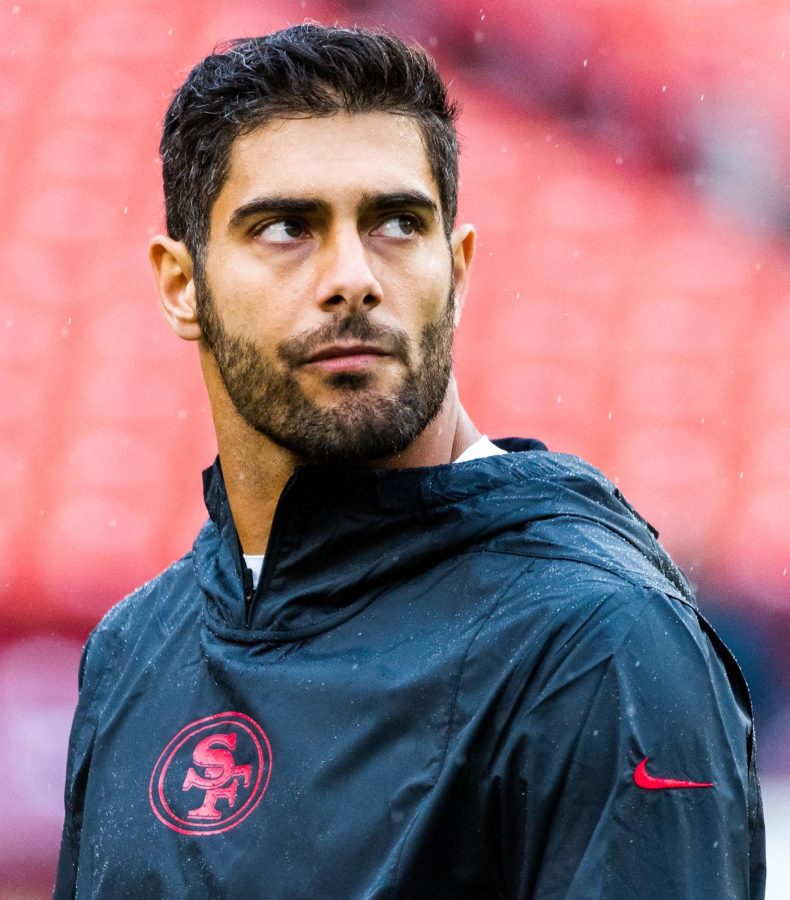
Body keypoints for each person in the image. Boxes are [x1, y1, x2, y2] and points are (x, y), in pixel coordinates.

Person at [55, 24, 765, 899]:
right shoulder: (132, 649)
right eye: (286, 228)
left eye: (396, 222)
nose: (352, 276)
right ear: (181, 285)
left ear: (457, 271)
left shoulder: (596, 643)